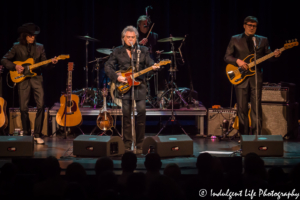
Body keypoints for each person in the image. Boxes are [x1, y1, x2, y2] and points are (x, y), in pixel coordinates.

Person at [104, 26, 159, 153]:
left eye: (133, 37)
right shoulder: (117, 51)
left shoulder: (143, 50)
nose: (130, 39)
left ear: (136, 38)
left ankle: (140, 144)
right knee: (126, 116)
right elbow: (108, 66)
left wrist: (154, 67)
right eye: (128, 37)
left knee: (141, 113)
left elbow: (150, 63)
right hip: (125, 87)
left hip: (140, 86)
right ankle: (127, 144)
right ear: (123, 38)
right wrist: (117, 78)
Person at [1, 23, 58, 144]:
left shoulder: (40, 47)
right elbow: (4, 59)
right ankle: (26, 134)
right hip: (21, 79)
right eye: (30, 36)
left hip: (36, 78)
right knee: (23, 108)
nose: (33, 38)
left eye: (34, 36)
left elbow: (45, 64)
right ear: (25, 36)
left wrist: (52, 63)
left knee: (41, 105)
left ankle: (37, 134)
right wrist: (15, 66)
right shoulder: (16, 47)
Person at [224, 16, 281, 136]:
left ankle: (257, 136)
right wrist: (238, 61)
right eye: (249, 25)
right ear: (244, 25)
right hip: (240, 77)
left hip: (256, 77)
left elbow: (269, 57)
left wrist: (275, 55)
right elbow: (227, 57)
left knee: (256, 107)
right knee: (242, 108)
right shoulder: (235, 39)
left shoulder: (263, 40)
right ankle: (243, 137)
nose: (251, 28)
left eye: (254, 26)